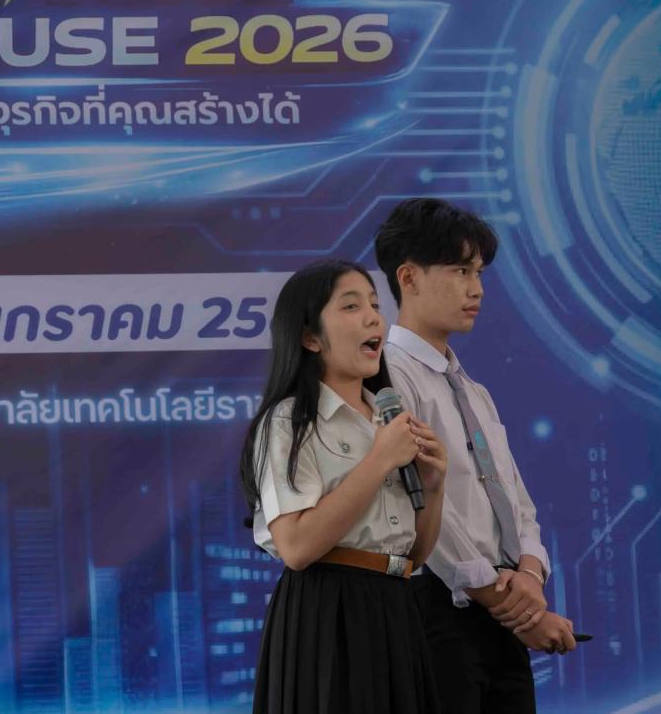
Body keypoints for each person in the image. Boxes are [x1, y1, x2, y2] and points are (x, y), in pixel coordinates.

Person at [374, 199, 577, 713]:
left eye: (479, 273)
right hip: (438, 607)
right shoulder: (388, 378)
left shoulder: (474, 390)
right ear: (408, 277)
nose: (477, 289)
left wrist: (530, 573)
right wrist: (514, 607)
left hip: (503, 604)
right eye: (460, 271)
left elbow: (515, 497)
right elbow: (420, 505)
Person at [239, 259, 447, 714]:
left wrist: (433, 487)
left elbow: (414, 555)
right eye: (351, 307)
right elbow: (296, 547)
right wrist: (379, 461)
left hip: (397, 606)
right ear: (310, 337)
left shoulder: (390, 421)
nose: (373, 318)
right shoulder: (289, 421)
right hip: (328, 612)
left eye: (375, 304)